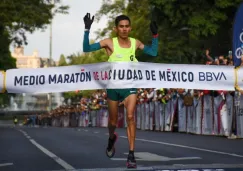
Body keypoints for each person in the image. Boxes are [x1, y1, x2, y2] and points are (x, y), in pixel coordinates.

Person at [83, 13, 158, 168]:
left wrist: (155, 36)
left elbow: (153, 52)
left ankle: (131, 154)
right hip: (113, 87)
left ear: (130, 28)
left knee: (130, 117)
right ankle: (111, 138)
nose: (124, 29)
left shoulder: (135, 43)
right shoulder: (109, 42)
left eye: (127, 26)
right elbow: (86, 48)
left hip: (130, 86)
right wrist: (87, 29)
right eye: (121, 27)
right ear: (116, 29)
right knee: (113, 121)